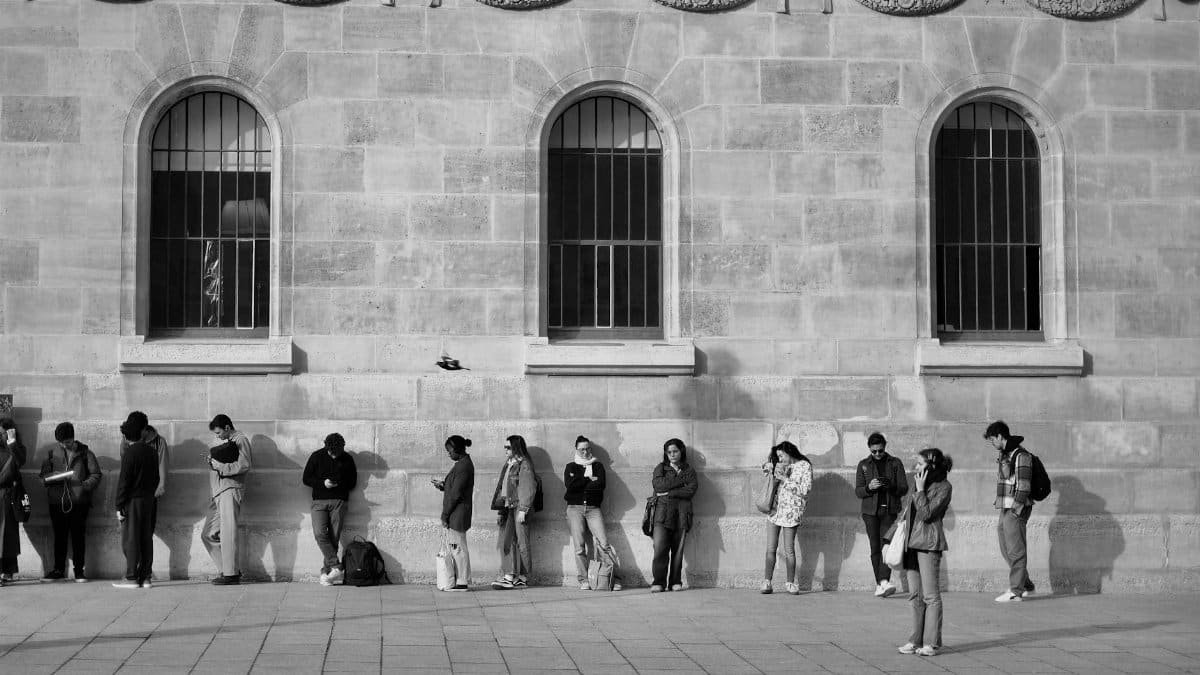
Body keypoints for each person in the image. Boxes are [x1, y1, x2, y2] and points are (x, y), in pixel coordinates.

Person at [892, 448, 953, 657]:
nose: (916, 467)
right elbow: (906, 515)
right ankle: (915, 640)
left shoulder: (944, 487)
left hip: (928, 543)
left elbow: (927, 514)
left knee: (930, 596)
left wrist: (919, 491)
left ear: (931, 465)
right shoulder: (919, 483)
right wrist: (889, 538)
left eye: (919, 463)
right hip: (911, 543)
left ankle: (931, 643)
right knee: (915, 595)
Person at [38, 422, 102, 583]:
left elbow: (96, 474)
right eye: (61, 442)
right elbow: (43, 476)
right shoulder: (51, 453)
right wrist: (52, 477)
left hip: (79, 503)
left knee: (78, 537)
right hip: (57, 502)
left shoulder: (85, 453)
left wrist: (84, 485)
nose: (64, 445)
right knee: (59, 537)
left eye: (67, 442)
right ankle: (58, 570)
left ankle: (79, 571)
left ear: (73, 438)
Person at [986, 420, 1036, 602]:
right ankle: (1025, 583)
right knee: (1005, 545)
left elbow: (1023, 485)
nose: (992, 443)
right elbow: (1007, 477)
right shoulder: (1006, 454)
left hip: (1016, 507)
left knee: (1016, 549)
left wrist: (1016, 509)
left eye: (992, 439)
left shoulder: (1021, 455)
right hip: (1005, 506)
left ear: (1000, 436)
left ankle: (1016, 591)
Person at [854, 431, 909, 598]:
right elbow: (858, 491)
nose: (877, 454)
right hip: (870, 512)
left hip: (889, 511)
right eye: (874, 451)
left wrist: (890, 486)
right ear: (869, 449)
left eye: (880, 450)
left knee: (886, 545)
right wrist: (869, 488)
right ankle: (880, 583)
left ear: (884, 447)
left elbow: (904, 488)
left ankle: (884, 581)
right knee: (875, 547)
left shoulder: (895, 463)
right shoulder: (863, 464)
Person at [564, 435, 622, 591]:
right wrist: (589, 479)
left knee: (604, 544)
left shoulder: (598, 466)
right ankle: (583, 579)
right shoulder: (570, 466)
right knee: (579, 547)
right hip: (574, 509)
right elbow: (570, 486)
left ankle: (613, 578)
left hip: (593, 509)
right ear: (576, 450)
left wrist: (581, 482)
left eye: (588, 448)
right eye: (582, 449)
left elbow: (600, 485)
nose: (585, 452)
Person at [302, 433, 357, 586]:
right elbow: (306, 478)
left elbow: (353, 482)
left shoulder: (347, 459)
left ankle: (325, 573)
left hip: (339, 501)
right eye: (331, 452)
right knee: (320, 534)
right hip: (319, 502)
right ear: (326, 447)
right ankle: (337, 566)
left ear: (342, 447)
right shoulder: (316, 456)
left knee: (334, 538)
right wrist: (323, 483)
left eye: (337, 453)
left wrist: (339, 482)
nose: (334, 456)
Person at [202, 414, 252, 585]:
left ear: (228, 427)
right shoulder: (226, 441)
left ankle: (230, 574)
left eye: (219, 432)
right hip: (218, 493)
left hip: (230, 490)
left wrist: (219, 466)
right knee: (208, 534)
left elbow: (244, 465)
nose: (218, 436)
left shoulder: (241, 439)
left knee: (228, 532)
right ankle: (228, 570)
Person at [760, 441, 812, 596]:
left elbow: (805, 490)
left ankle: (790, 583)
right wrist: (768, 467)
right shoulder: (781, 465)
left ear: (788, 452)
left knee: (789, 549)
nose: (780, 458)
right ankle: (767, 581)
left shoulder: (804, 466)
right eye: (778, 456)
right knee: (770, 548)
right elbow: (765, 471)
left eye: (781, 455)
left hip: (792, 513)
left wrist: (785, 479)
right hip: (775, 511)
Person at [113, 416, 159, 589]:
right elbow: (156, 478)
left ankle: (131, 576)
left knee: (131, 539)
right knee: (146, 538)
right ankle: (146, 576)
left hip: (133, 500)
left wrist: (119, 505)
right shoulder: (152, 452)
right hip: (149, 499)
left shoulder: (129, 454)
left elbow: (124, 482)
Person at [650, 438, 697, 592]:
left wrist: (669, 492)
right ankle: (658, 582)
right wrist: (680, 482)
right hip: (661, 515)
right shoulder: (661, 468)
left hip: (682, 515)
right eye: (669, 452)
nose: (672, 454)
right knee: (660, 549)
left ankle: (675, 581)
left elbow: (691, 490)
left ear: (681, 451)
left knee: (677, 551)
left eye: (675, 451)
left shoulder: (689, 470)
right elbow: (658, 486)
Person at [491, 435, 536, 590]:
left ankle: (520, 576)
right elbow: (503, 490)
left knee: (521, 543)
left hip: (520, 508)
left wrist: (523, 509)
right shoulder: (510, 464)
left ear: (516, 447)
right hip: (510, 507)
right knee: (510, 542)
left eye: (508, 447)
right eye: (505, 447)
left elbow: (528, 487)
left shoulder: (524, 464)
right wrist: (501, 511)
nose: (505, 450)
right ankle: (513, 575)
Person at [432, 435, 474, 592]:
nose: (449, 454)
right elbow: (455, 488)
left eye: (449, 451)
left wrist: (445, 515)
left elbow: (456, 494)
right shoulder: (462, 464)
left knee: (458, 547)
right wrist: (444, 485)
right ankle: (461, 579)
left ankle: (462, 581)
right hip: (457, 512)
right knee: (457, 545)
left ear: (457, 449)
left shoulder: (463, 466)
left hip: (458, 513)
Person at [0, 418, 26, 585]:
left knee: (7, 535)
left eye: (3, 432)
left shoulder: (17, 448)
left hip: (8, 496)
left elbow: (20, 461)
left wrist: (12, 442)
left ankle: (7, 570)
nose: (1, 435)